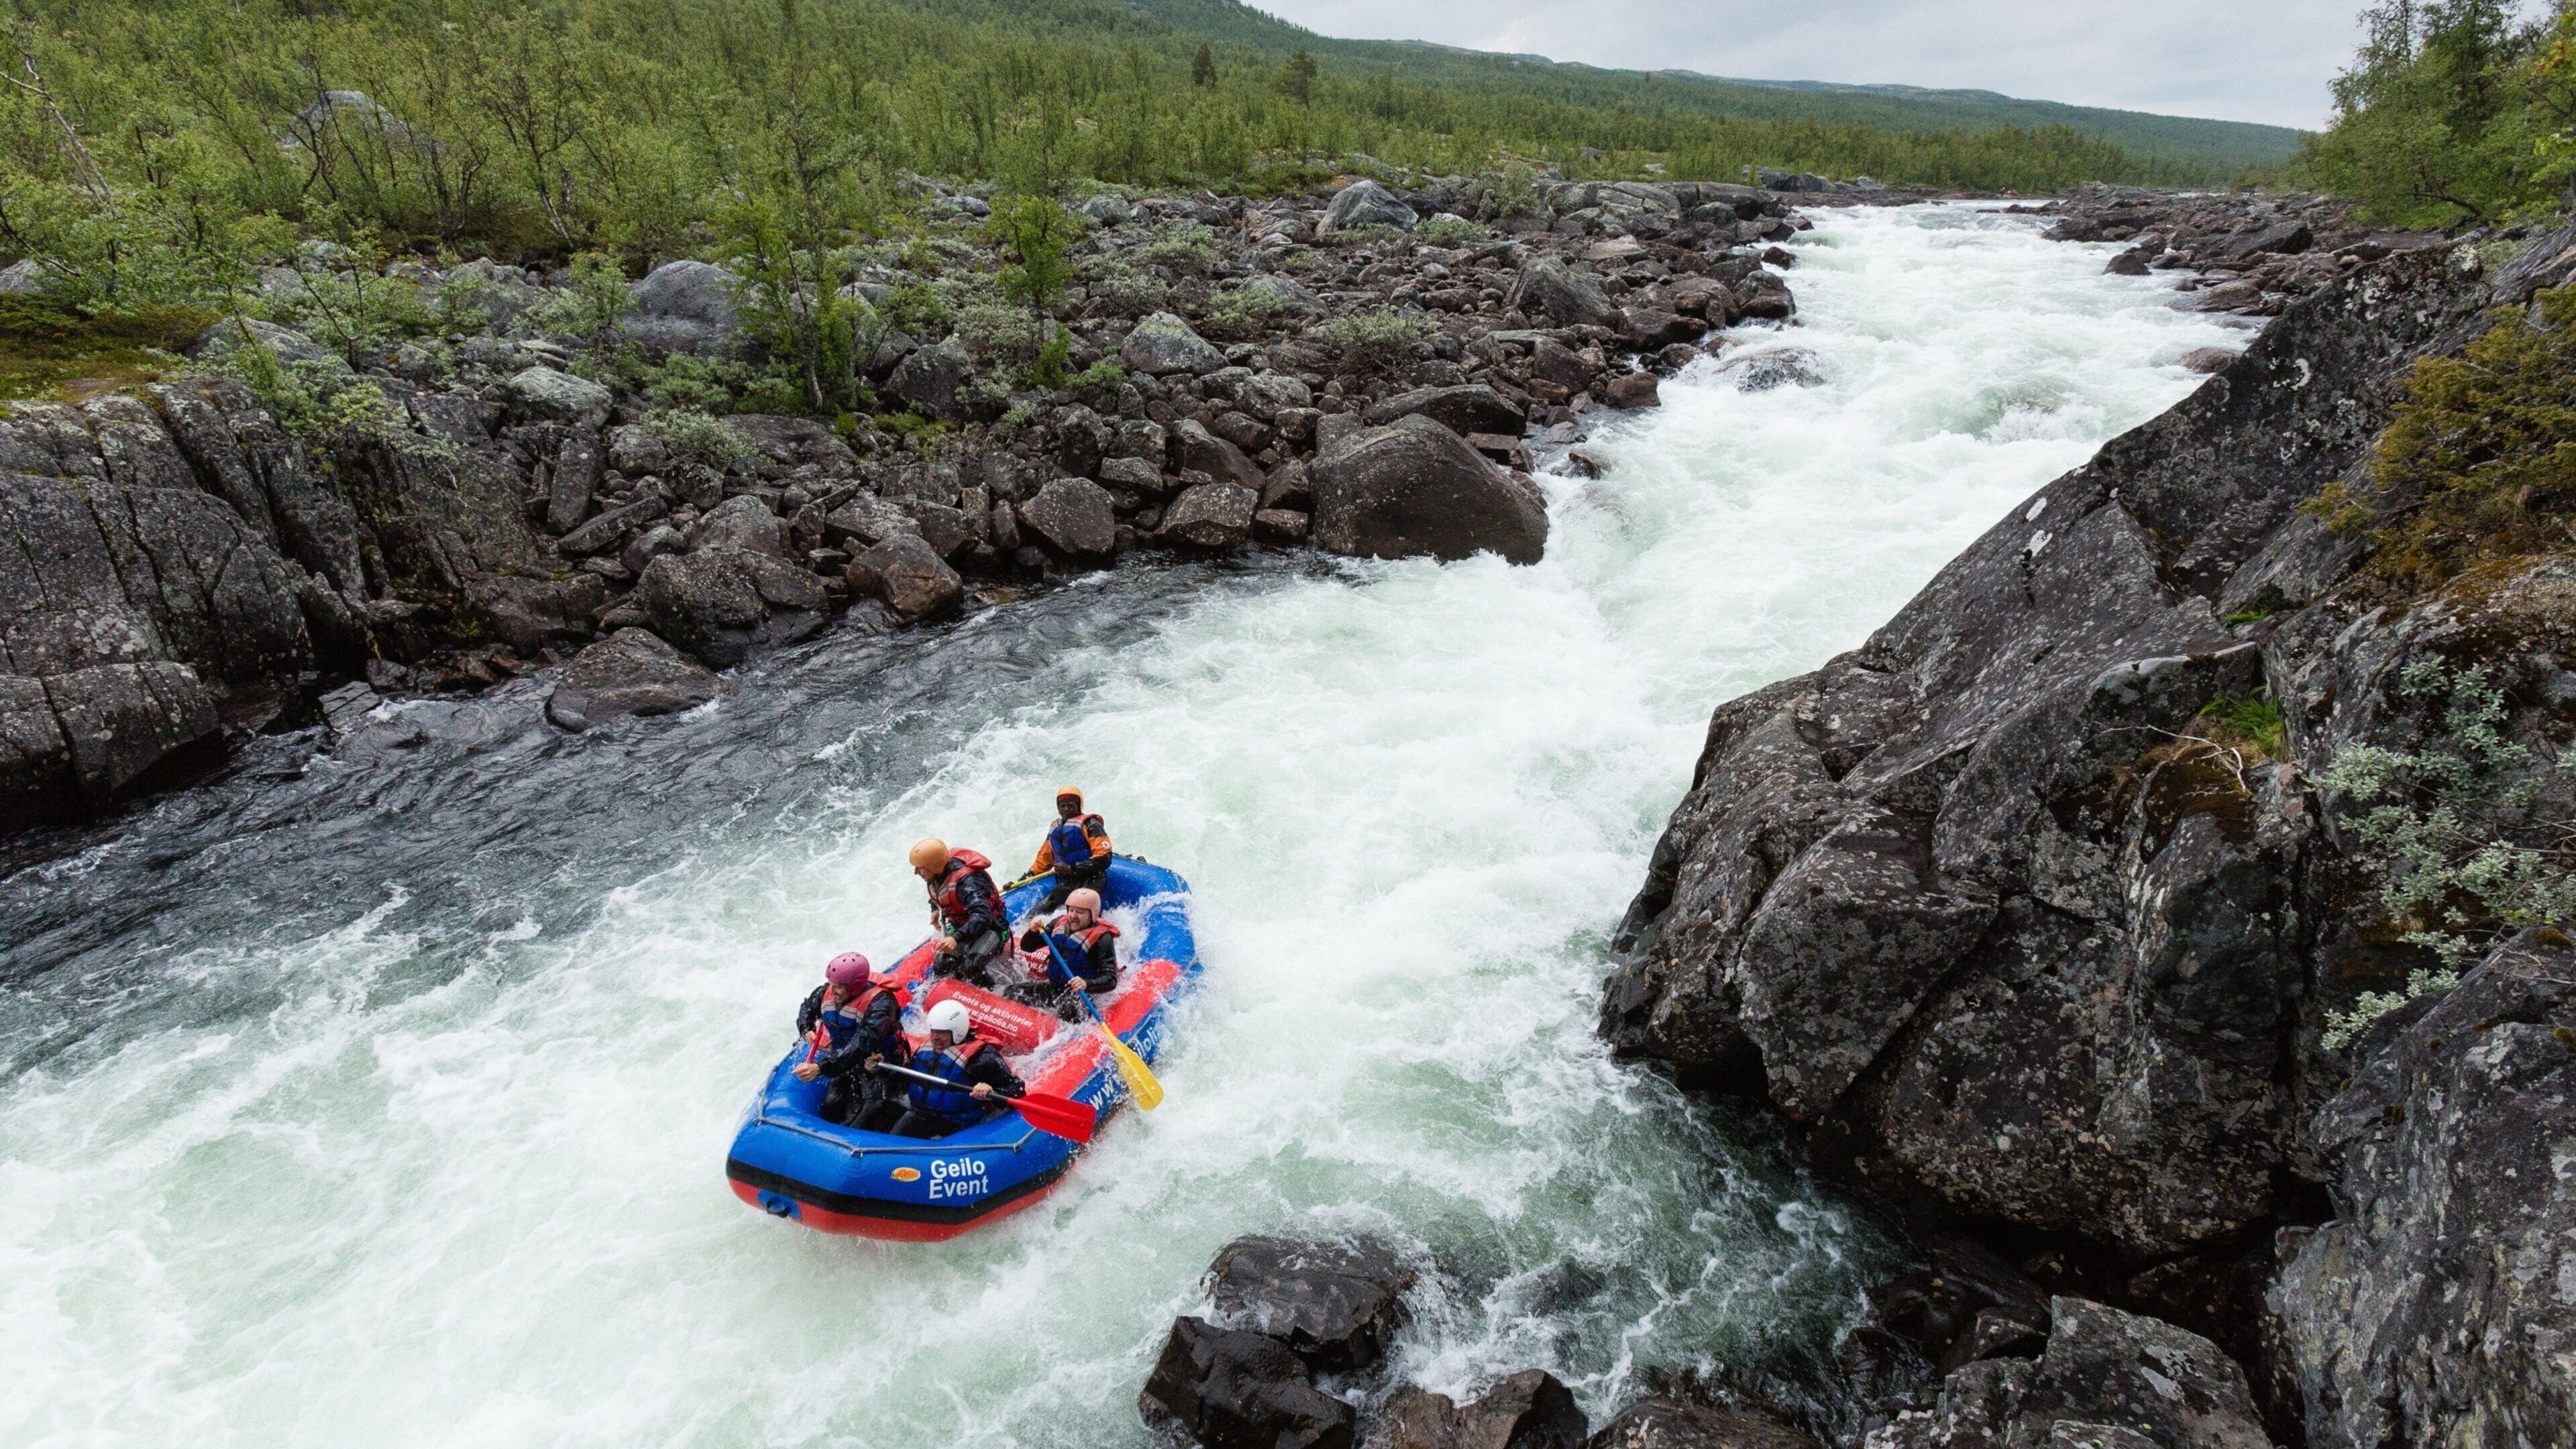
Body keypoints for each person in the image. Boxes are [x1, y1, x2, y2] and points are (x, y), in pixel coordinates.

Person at [863, 998, 1024, 1139]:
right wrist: (881, 1070)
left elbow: (1018, 1089)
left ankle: (882, 1160)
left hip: (954, 1125)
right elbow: (902, 1084)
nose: (935, 1038)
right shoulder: (926, 1050)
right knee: (875, 1106)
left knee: (911, 1120)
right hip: (921, 1114)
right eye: (933, 1031)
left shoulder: (983, 1058)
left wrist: (991, 1092)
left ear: (958, 1032)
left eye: (942, 1033)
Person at [792, 952, 904, 1126]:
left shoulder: (881, 1005)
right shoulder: (827, 992)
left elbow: (860, 1046)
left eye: (838, 987)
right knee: (831, 1107)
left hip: (880, 1065)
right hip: (843, 1062)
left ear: (854, 986)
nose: (832, 991)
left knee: (870, 1115)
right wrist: (807, 1030)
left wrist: (820, 1067)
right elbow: (807, 1007)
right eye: (831, 984)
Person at [1004, 887, 1120, 1019]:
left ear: (1093, 915)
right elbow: (1027, 948)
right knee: (1013, 992)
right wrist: (1032, 932)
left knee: (1068, 1010)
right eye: (1071, 910)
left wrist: (1086, 984)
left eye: (1080, 912)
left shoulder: (1103, 939)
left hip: (1083, 994)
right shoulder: (1058, 924)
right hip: (1056, 987)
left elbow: (1111, 980)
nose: (1073, 916)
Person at [910, 837, 1008, 984]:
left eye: (920, 868)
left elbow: (983, 917)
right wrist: (934, 909)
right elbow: (940, 895)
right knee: (941, 967)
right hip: (963, 927)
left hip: (991, 927)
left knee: (971, 967)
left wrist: (955, 938)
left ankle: (994, 991)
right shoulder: (936, 876)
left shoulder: (968, 883)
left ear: (934, 866)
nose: (917, 872)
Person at [1026, 786, 1112, 910]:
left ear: (1079, 807)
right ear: (1058, 808)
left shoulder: (1090, 824)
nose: (1066, 809)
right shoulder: (1055, 830)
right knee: (1037, 912)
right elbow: (1043, 861)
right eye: (1063, 806)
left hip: (1092, 878)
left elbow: (1104, 858)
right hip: (1068, 881)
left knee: (1081, 910)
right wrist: (1025, 878)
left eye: (1070, 806)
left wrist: (1072, 869)